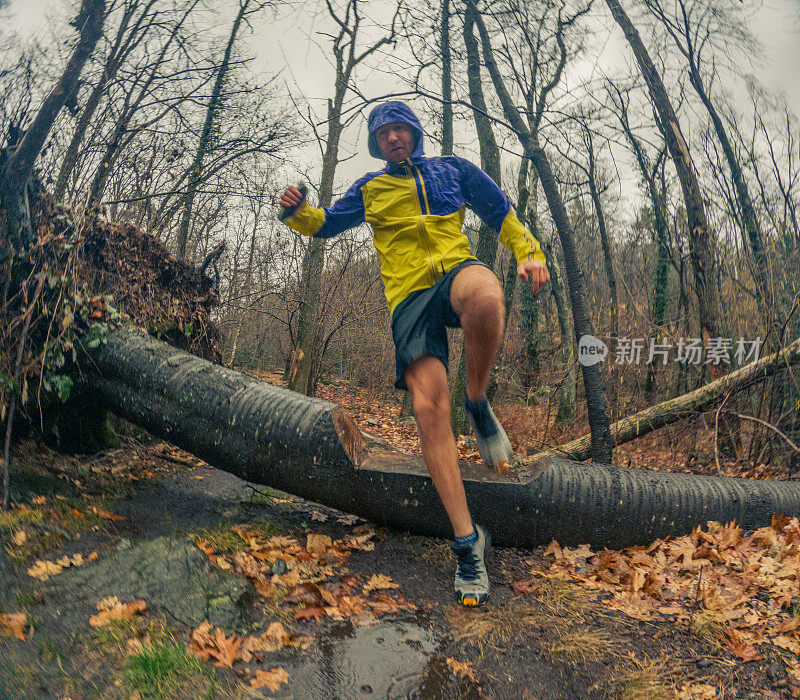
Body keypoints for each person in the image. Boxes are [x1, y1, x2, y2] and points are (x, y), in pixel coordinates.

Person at [279, 101, 549, 606]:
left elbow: (501, 213)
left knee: (487, 295)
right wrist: (294, 211)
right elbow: (324, 224)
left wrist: (528, 250)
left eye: (400, 129)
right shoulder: (370, 189)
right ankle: (468, 544)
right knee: (428, 409)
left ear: (416, 133)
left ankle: (477, 399)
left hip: (454, 273)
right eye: (383, 135)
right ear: (376, 145)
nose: (393, 139)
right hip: (407, 298)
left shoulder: (453, 170)